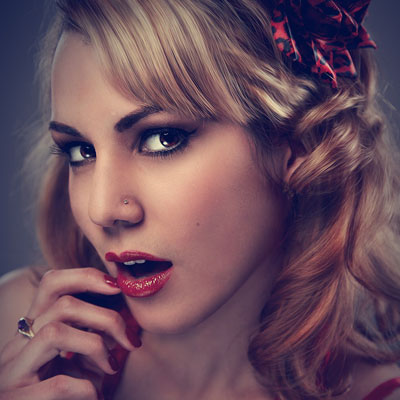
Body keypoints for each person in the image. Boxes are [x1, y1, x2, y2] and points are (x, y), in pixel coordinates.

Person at [0, 0, 399, 399]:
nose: (101, 209)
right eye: (80, 152)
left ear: (297, 143)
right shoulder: (18, 331)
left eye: (162, 139)